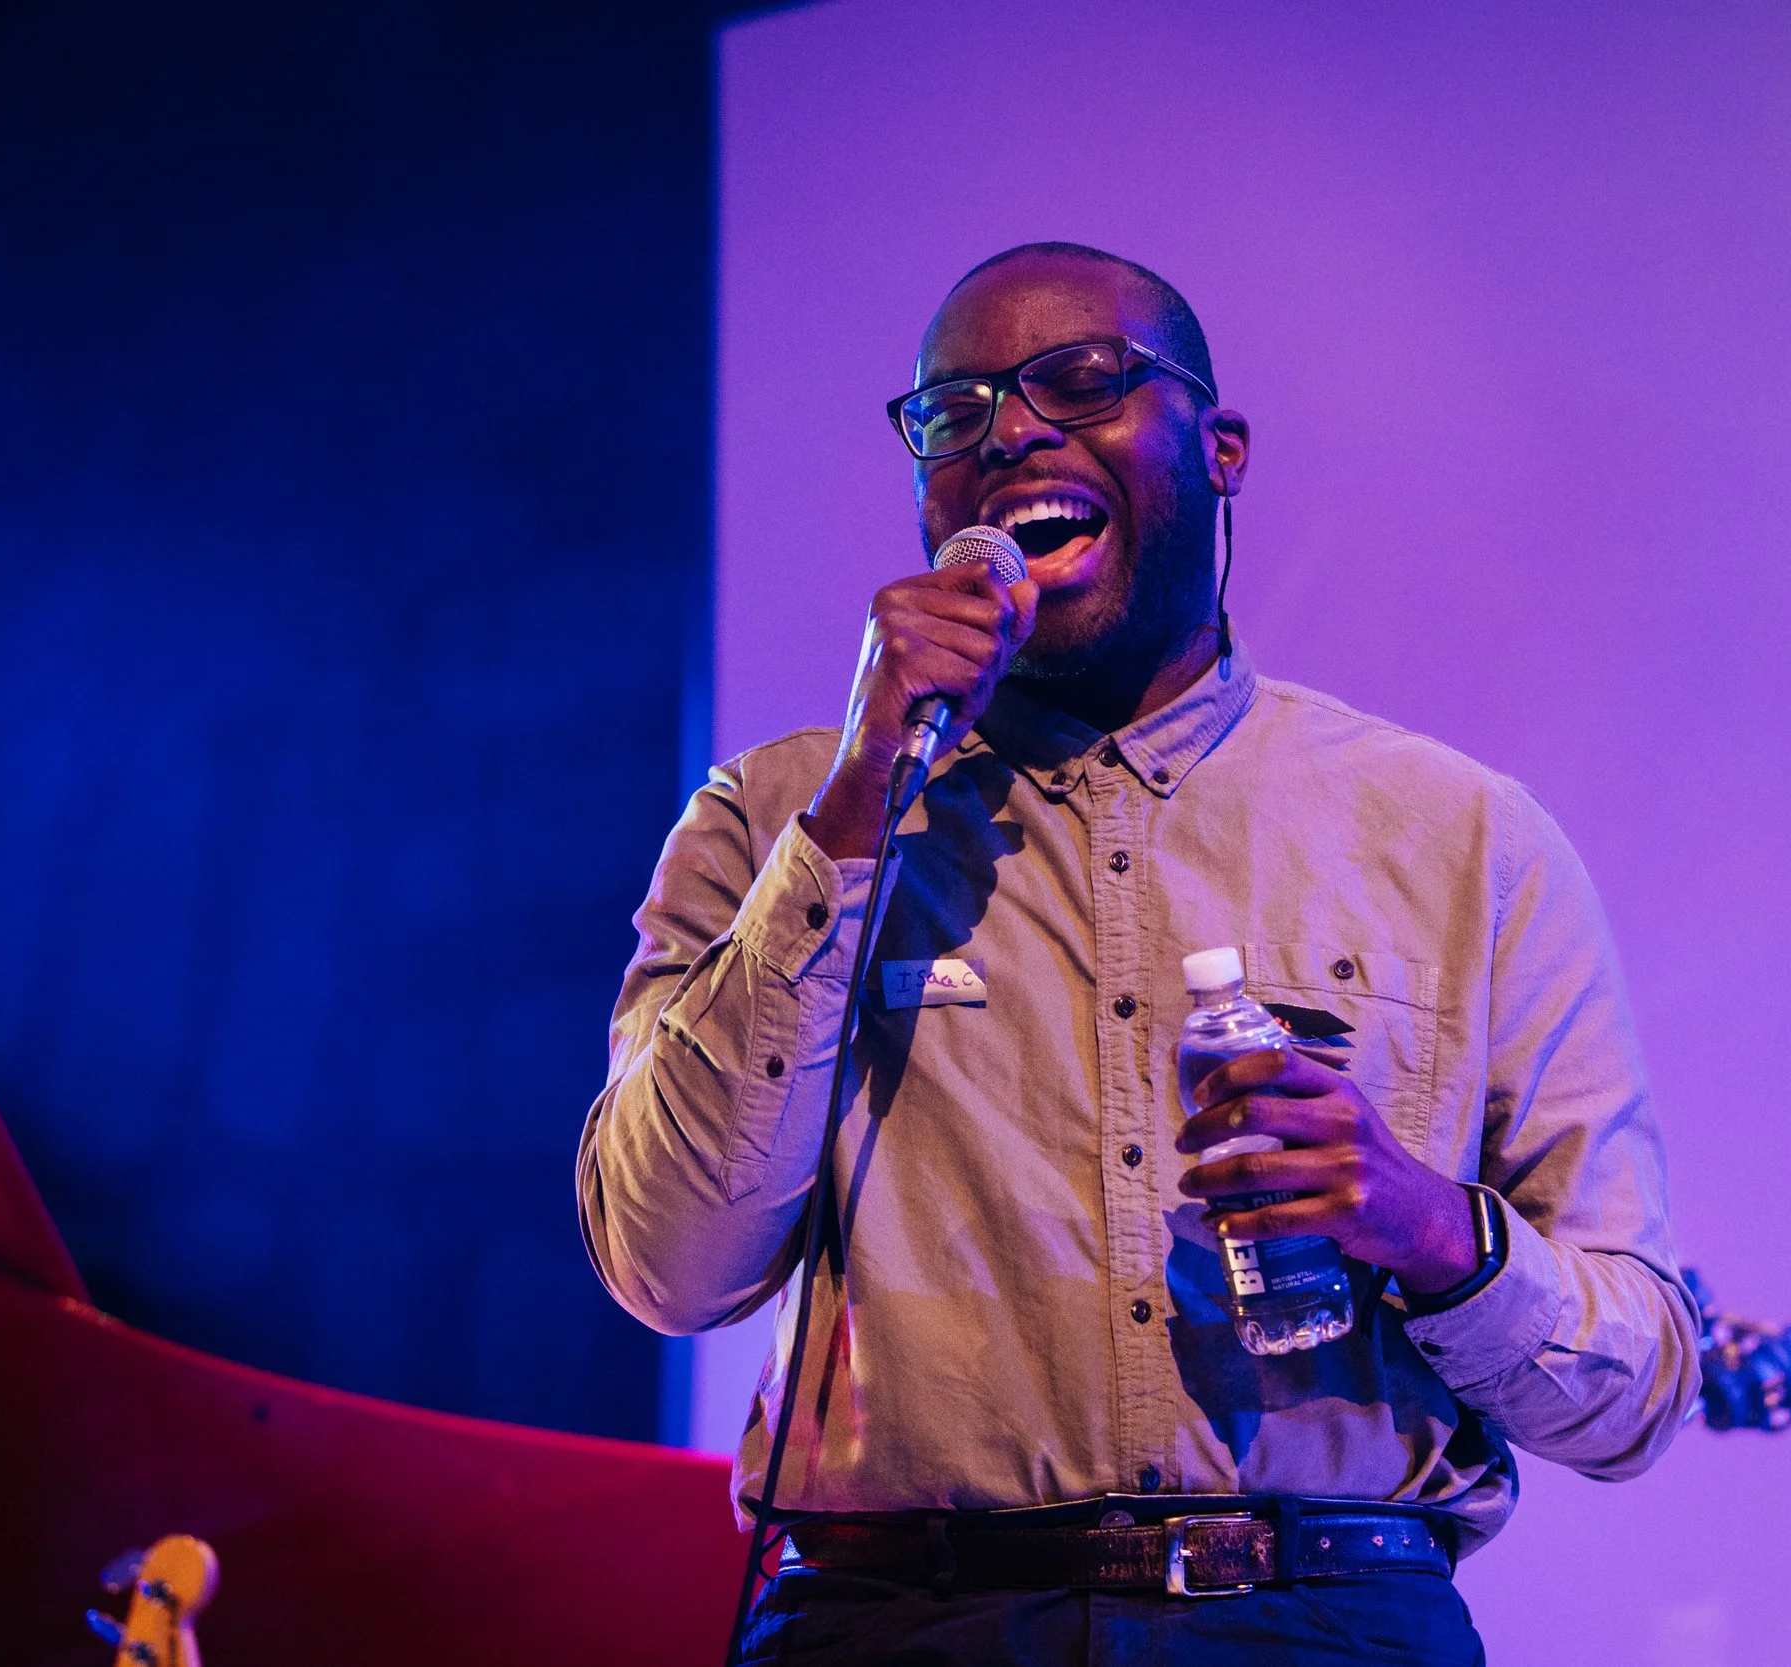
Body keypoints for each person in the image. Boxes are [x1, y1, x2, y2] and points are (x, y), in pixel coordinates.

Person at [576, 242, 1701, 1665]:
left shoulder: (1464, 838)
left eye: (1084, 382)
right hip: (897, 1620)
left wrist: (1428, 1227)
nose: (1013, 432)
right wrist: (861, 793)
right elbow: (666, 1262)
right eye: (956, 412)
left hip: (1325, 1619)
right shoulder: (776, 813)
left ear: (1220, 451)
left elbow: (1639, 1386)